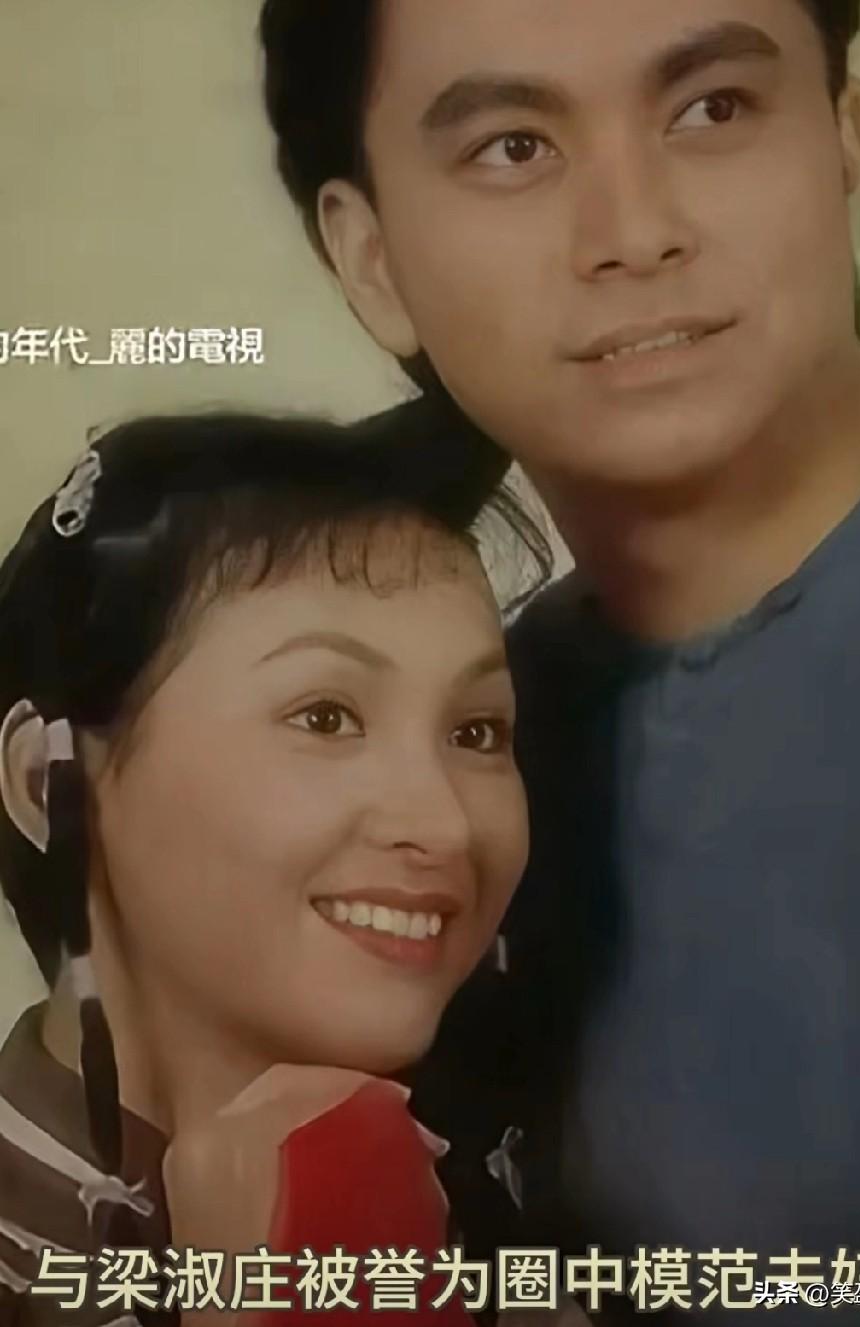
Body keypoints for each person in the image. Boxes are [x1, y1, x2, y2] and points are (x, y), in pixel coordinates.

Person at [258, 0, 860, 1320]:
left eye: (712, 108)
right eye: (512, 147)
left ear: (843, 135)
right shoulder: (451, 785)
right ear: (371, 257)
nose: (635, 231)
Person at [0, 404, 552, 1325]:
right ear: (50, 783)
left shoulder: (518, 1201)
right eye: (325, 716)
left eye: (477, 731)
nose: (446, 825)